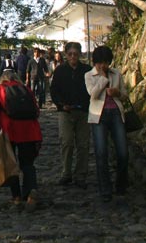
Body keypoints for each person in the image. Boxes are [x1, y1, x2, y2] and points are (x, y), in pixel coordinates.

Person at [0, 69, 42, 209]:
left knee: (10, 164)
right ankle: (31, 192)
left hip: (9, 130)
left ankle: (16, 196)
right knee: (28, 163)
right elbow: (36, 110)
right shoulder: (26, 90)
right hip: (29, 130)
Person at [85, 45, 128, 203]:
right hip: (99, 115)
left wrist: (117, 93)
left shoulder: (116, 73)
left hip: (116, 113)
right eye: (100, 63)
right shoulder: (89, 75)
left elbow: (124, 95)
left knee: (123, 152)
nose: (103, 65)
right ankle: (105, 189)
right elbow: (93, 94)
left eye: (105, 62)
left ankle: (121, 185)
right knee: (101, 152)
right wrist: (103, 79)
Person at [50, 41, 91, 187]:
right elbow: (54, 90)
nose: (73, 56)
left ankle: (81, 175)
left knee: (83, 144)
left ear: (79, 54)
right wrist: (61, 104)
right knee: (66, 142)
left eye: (75, 54)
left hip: (83, 112)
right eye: (70, 54)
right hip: (65, 112)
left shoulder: (87, 70)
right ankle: (66, 173)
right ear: (66, 55)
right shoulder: (60, 71)